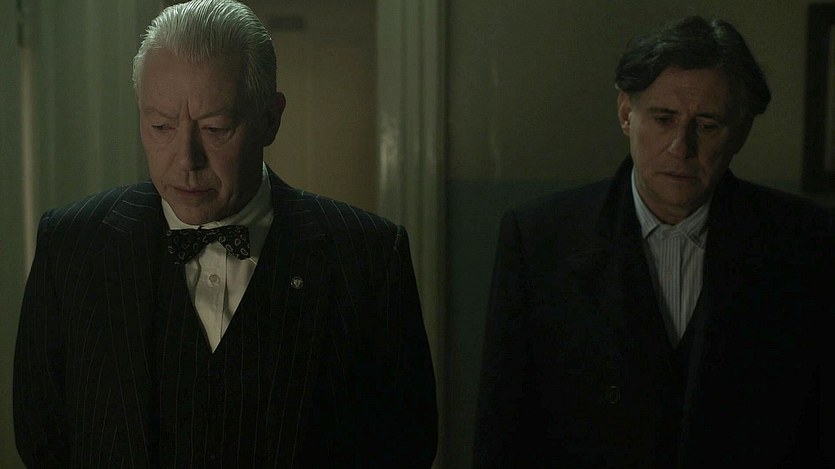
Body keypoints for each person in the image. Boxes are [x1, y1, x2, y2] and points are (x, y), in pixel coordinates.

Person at [13, 0, 437, 466]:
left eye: (215, 128)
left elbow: (404, 446)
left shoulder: (367, 257)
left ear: (271, 119)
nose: (186, 159)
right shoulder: (71, 245)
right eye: (161, 126)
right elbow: (42, 439)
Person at [474, 15, 833, 468]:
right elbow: (503, 431)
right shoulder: (540, 239)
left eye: (707, 125)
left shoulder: (805, 241)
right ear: (627, 114)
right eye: (664, 119)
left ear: (740, 131)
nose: (680, 147)